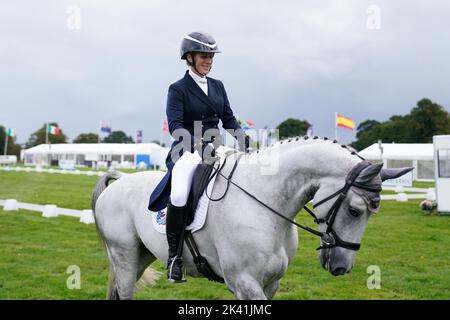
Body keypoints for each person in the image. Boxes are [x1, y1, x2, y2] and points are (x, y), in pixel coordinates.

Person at [148, 31, 250, 282]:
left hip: (218, 148)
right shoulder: (178, 89)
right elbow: (175, 125)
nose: (209, 60)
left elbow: (227, 117)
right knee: (180, 192)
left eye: (211, 56)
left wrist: (242, 137)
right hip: (187, 150)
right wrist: (197, 142)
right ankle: (174, 257)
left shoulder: (218, 86)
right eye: (204, 56)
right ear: (190, 58)